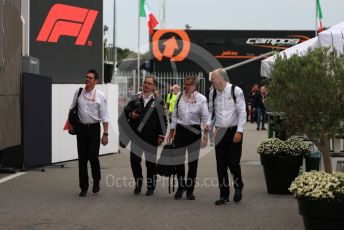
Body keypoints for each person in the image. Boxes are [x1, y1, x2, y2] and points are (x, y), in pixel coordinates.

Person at [123, 76, 167, 196]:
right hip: (136, 136)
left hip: (151, 137)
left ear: (153, 86)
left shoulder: (159, 101)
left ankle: (151, 186)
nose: (146, 85)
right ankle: (138, 182)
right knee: (134, 161)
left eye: (149, 83)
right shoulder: (135, 99)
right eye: (145, 82)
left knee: (151, 162)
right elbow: (126, 113)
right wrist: (131, 114)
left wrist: (161, 136)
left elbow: (163, 120)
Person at [208, 68, 246, 205]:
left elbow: (242, 112)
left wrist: (239, 131)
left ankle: (238, 186)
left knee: (233, 163)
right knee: (221, 165)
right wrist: (208, 125)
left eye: (213, 79)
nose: (211, 81)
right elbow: (211, 113)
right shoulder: (212, 93)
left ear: (221, 78)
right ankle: (224, 195)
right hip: (219, 132)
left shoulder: (236, 90)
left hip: (233, 131)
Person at [68, 69, 109, 197]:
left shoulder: (101, 95)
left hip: (94, 129)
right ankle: (84, 187)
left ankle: (96, 180)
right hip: (81, 129)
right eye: (86, 77)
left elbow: (105, 116)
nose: (87, 79)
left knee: (93, 156)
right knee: (82, 160)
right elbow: (72, 108)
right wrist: (70, 125)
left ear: (96, 81)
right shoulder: (79, 92)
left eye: (90, 78)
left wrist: (105, 134)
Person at [167, 76, 209, 200]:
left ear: (195, 86)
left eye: (188, 85)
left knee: (193, 162)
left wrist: (205, 137)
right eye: (184, 84)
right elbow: (174, 115)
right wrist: (172, 131)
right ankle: (181, 187)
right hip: (180, 131)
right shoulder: (179, 96)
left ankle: (190, 190)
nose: (185, 86)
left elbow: (205, 118)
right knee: (179, 160)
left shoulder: (201, 99)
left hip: (194, 131)